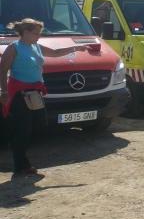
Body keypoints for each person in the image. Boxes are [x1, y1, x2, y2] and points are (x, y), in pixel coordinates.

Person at [0, 18, 89, 178]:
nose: (38, 36)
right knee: (24, 129)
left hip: (35, 93)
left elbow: (55, 53)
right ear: (25, 32)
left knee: (39, 125)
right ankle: (21, 165)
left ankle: (17, 151)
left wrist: (76, 47)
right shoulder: (14, 48)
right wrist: (4, 91)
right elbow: (3, 70)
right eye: (36, 33)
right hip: (19, 94)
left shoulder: (36, 46)